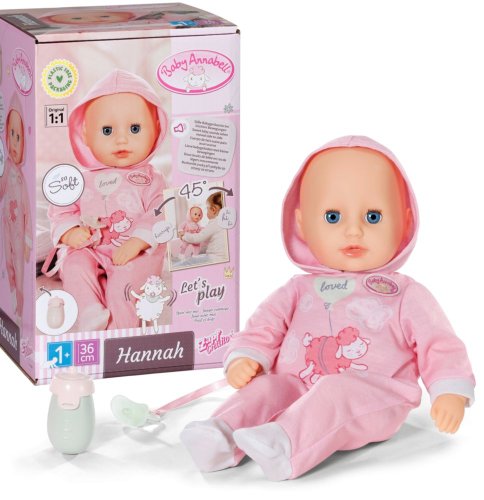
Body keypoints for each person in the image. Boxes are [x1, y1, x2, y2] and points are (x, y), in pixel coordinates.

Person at [180, 136, 475, 481]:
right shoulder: (297, 289)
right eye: (333, 217)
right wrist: (245, 357)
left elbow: (438, 342)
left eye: (373, 216)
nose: (354, 230)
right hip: (298, 386)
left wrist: (449, 390)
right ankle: (221, 435)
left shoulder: (405, 293)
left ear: (404, 223)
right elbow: (264, 326)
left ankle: (286, 446)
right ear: (302, 225)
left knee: (335, 391)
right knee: (267, 389)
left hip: (373, 396)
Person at [46, 69, 167, 330]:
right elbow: (61, 210)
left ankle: (120, 328)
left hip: (136, 253)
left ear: (156, 128)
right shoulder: (80, 179)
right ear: (86, 134)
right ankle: (89, 311)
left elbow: (160, 212)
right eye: (107, 130)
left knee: (124, 284)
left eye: (135, 128)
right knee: (75, 265)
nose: (121, 139)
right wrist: (70, 232)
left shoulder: (151, 179)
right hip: (92, 249)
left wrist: (137, 242)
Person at [0, 92, 32, 326]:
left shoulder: (22, 178)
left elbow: (28, 212)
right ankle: (10, 298)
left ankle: (20, 306)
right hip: (7, 224)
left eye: (19, 137)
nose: (14, 143)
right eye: (11, 134)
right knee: (7, 261)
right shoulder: (7, 167)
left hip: (19, 230)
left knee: (18, 263)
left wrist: (28, 241)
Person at [179, 192, 227, 261]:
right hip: (223, 257)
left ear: (213, 210)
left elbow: (198, 238)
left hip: (214, 258)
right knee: (200, 252)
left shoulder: (215, 223)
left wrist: (184, 235)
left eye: (207, 208)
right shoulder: (225, 223)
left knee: (188, 262)